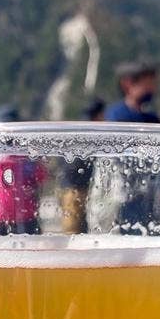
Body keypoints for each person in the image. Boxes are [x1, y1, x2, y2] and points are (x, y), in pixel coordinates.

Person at [0, 105, 46, 235]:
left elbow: (40, 176)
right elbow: (40, 176)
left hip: (19, 214)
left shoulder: (25, 155)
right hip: (6, 215)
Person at [60, 98, 105, 234]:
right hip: (75, 187)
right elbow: (76, 163)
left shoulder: (79, 126)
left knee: (78, 225)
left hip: (73, 185)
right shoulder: (88, 131)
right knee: (73, 227)